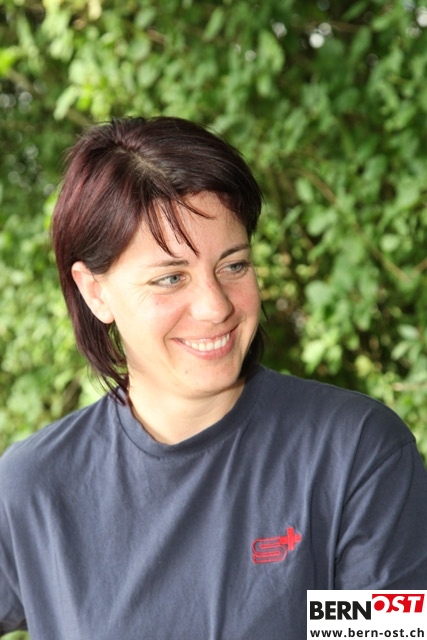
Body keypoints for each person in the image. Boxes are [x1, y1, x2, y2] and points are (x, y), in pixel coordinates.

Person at [0, 116, 426, 640]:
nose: (215, 306)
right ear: (95, 292)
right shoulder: (35, 485)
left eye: (233, 266)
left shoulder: (354, 453)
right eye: (170, 277)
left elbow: (388, 631)